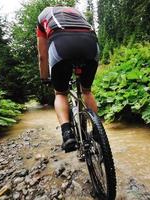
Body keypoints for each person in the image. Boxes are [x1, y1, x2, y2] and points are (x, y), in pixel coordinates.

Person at [36, 5, 99, 152]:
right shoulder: (77, 13)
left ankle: (67, 134)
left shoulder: (43, 16)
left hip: (61, 44)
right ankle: (97, 130)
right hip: (90, 44)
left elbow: (42, 55)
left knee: (60, 93)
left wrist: (44, 77)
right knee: (87, 91)